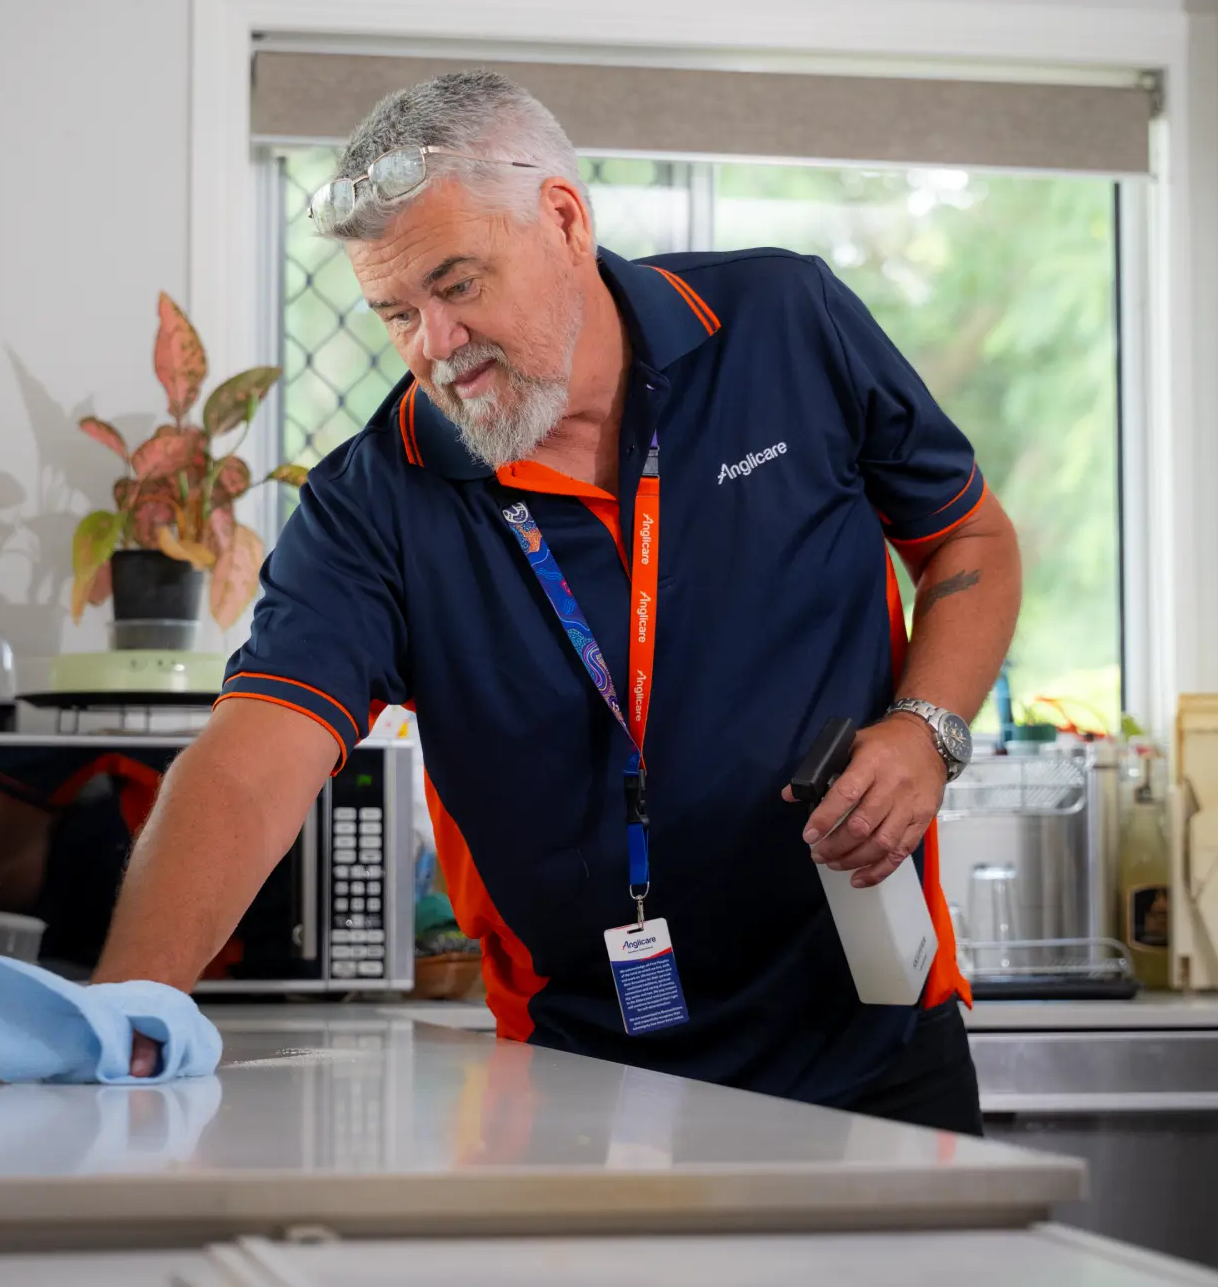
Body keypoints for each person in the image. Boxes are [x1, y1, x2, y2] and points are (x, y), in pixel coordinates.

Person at [93, 71, 1021, 1133]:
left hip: (878, 1046)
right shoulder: (371, 503)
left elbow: (969, 537)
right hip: (586, 1083)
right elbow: (251, 765)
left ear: (565, 220)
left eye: (458, 285)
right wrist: (128, 1007)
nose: (435, 345)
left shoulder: (783, 322)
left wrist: (926, 730)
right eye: (397, 312)